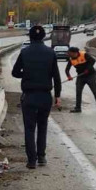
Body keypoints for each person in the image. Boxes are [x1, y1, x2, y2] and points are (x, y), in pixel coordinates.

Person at [12, 25, 62, 169]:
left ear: (30, 37)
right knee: (42, 126)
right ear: (43, 37)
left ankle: (31, 160)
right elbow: (56, 77)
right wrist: (57, 96)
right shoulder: (50, 53)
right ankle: (41, 157)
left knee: (29, 128)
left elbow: (15, 72)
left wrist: (27, 74)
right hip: (45, 96)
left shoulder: (25, 52)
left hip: (29, 96)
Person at [65, 47, 96, 113]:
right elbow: (67, 70)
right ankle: (78, 108)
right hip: (80, 76)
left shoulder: (84, 54)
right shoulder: (71, 59)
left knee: (94, 91)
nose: (68, 54)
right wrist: (69, 76)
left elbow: (93, 61)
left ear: (75, 53)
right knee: (78, 92)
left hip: (90, 75)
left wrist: (87, 69)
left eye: (69, 52)